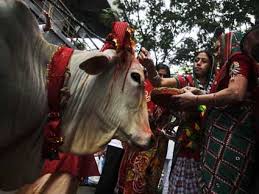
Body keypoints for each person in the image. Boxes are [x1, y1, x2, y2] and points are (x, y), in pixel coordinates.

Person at [171, 31, 257, 193]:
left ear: (231, 45)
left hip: (232, 140)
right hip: (209, 142)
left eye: (219, 48)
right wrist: (199, 93)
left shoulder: (239, 59)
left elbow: (235, 93)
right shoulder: (224, 70)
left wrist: (196, 100)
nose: (216, 52)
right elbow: (220, 100)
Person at [138, 48, 216, 194]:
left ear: (211, 66)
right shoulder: (186, 80)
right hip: (185, 146)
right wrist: (149, 65)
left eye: (204, 61)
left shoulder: (216, 87)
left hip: (209, 146)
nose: (198, 63)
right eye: (196, 60)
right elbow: (158, 81)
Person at [117, 66, 170, 194]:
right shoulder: (143, 89)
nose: (161, 78)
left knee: (148, 180)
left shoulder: (169, 96)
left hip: (156, 144)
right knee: (130, 176)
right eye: (159, 75)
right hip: (137, 141)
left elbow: (167, 122)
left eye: (165, 76)